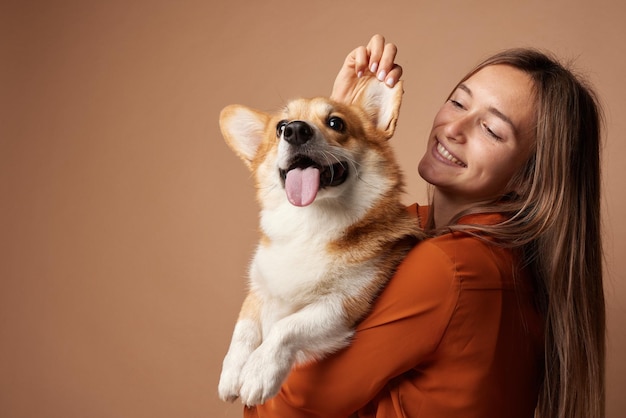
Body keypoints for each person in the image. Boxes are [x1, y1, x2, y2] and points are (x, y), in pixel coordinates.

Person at [241, 34, 605, 418]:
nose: (454, 128)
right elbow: (358, 231)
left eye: (492, 130)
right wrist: (340, 127)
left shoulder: (447, 269)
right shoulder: (469, 247)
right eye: (458, 102)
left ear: (530, 178)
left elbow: (283, 403)